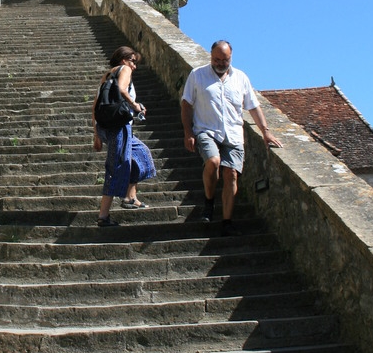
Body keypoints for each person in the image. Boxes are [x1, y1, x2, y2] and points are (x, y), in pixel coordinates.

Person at [181, 40, 282, 233]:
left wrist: (266, 131)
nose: (220, 63)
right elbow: (186, 104)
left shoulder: (241, 78)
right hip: (206, 130)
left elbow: (253, 106)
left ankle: (227, 221)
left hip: (234, 133)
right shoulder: (197, 75)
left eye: (224, 60)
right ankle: (209, 201)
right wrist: (188, 132)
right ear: (211, 57)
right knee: (213, 161)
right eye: (216, 59)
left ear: (231, 57)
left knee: (231, 174)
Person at [92, 46, 157, 227]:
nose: (134, 66)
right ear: (124, 60)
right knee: (115, 167)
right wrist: (136, 106)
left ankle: (130, 197)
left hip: (107, 125)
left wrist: (96, 133)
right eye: (133, 61)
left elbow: (94, 106)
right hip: (119, 126)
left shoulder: (106, 75)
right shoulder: (124, 70)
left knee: (141, 154)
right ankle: (103, 216)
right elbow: (121, 89)